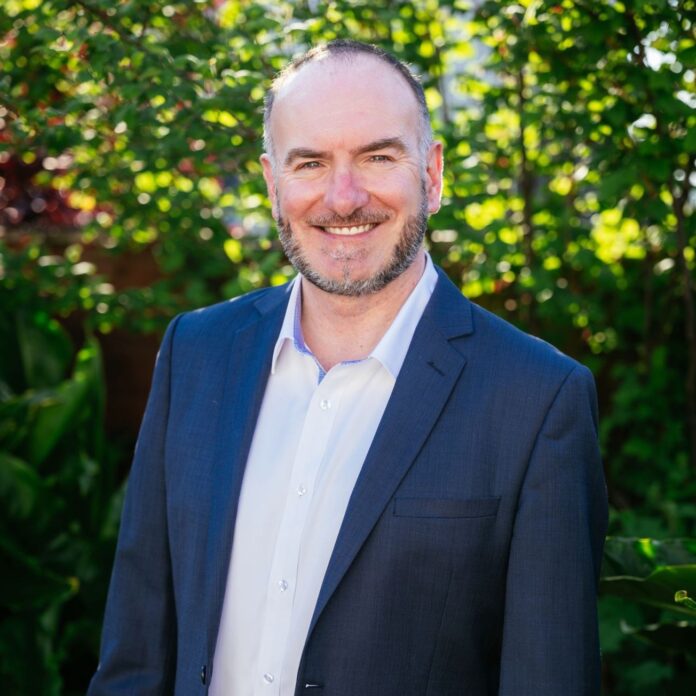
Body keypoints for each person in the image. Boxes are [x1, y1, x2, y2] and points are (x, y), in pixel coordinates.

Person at [88, 40, 608, 696]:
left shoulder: (537, 400)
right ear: (273, 184)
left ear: (433, 174)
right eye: (310, 163)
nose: (343, 198)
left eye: (377, 157)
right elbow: (135, 656)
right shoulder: (196, 354)